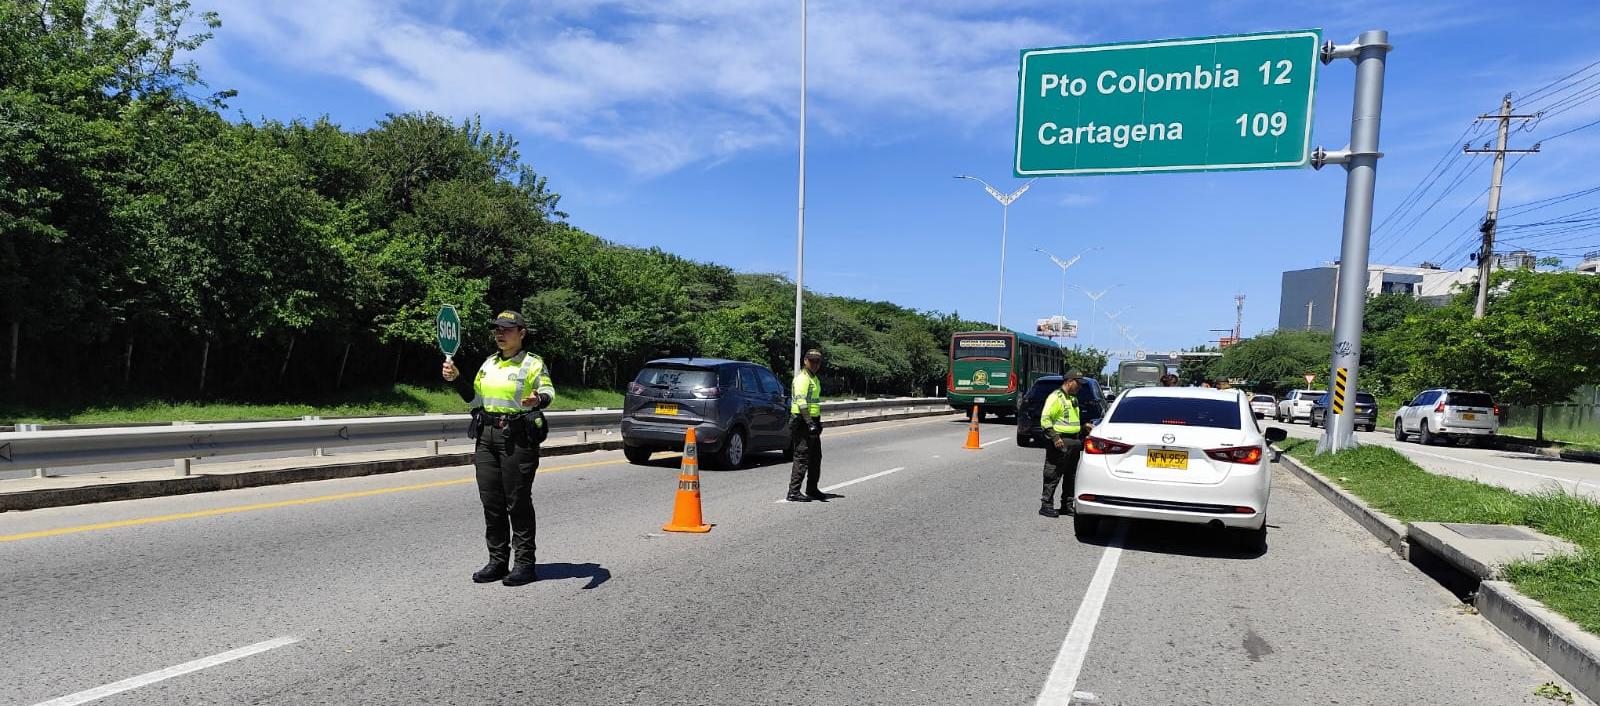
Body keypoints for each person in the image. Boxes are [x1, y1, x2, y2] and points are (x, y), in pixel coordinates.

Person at [442, 310, 554, 586]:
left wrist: (536, 399)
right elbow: (475, 398)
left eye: (507, 329)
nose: (500, 334)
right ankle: (497, 561)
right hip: (487, 436)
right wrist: (456, 378)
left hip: (517, 437)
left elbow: (549, 392)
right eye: (497, 329)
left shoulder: (532, 363)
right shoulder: (489, 363)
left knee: (517, 501)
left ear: (522, 333)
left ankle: (525, 564)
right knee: (491, 501)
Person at [1039, 370, 1089, 517]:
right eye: (1078, 383)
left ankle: (1067, 506)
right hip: (1060, 442)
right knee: (1053, 474)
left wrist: (1083, 428)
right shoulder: (1056, 397)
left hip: (1074, 442)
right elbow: (1045, 419)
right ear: (1069, 381)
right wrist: (1055, 438)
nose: (1080, 387)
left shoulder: (1073, 398)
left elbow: (1070, 422)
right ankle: (1046, 505)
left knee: (1070, 475)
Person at [785, 349, 830, 502]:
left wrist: (817, 422)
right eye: (812, 361)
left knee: (816, 457)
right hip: (803, 422)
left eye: (817, 361)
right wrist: (810, 423)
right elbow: (802, 403)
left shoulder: (814, 378)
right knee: (802, 456)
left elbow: (814, 404)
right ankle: (793, 492)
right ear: (805, 361)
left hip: (812, 421)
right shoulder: (802, 379)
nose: (815, 364)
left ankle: (812, 488)